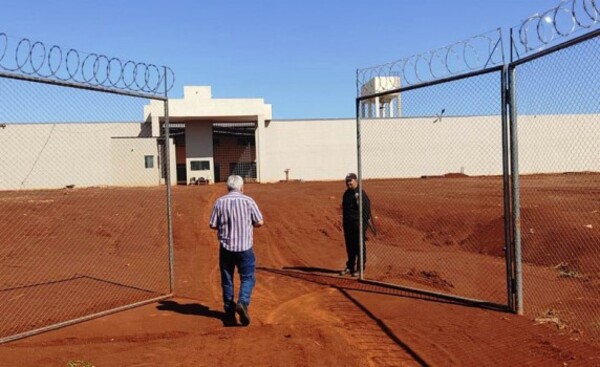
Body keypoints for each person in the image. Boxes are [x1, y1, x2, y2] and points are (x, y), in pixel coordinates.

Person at [209, 175, 264, 326]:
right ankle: (243, 303)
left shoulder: (220, 202)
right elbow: (259, 221)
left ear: (227, 187)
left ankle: (229, 311)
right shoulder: (248, 201)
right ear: (241, 187)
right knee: (248, 277)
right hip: (245, 248)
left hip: (226, 248)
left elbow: (212, 225)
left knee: (227, 280)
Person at [340, 173, 372, 277]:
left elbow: (367, 210)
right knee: (350, 246)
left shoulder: (361, 193)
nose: (348, 182)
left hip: (358, 224)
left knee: (359, 246)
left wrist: (363, 226)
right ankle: (350, 266)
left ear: (355, 181)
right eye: (347, 181)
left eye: (350, 180)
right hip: (348, 224)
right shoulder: (346, 194)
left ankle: (360, 268)